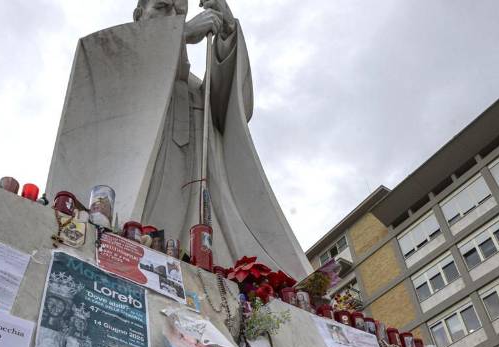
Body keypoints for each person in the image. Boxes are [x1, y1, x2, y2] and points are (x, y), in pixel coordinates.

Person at [45, 0, 310, 278]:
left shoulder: (197, 90)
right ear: (138, 15)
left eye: (180, 13)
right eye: (162, 8)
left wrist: (227, 33)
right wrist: (179, 34)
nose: (174, 18)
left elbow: (233, 108)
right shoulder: (119, 65)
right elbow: (98, 63)